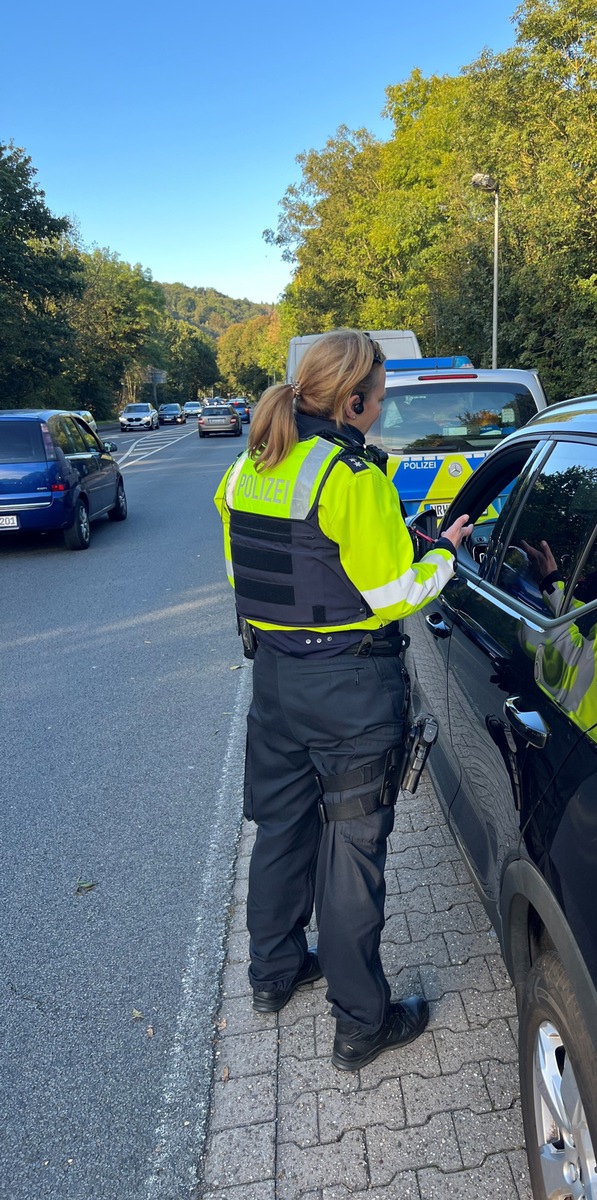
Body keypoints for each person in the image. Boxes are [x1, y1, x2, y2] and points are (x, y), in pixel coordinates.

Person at [213, 329, 472, 1071]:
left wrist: (398, 548)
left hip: (276, 685)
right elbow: (395, 594)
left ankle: (274, 973)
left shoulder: (247, 467)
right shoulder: (351, 477)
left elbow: (248, 577)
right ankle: (362, 1024)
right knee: (353, 852)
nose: (381, 414)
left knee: (283, 831)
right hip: (351, 693)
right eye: (381, 400)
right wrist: (445, 553)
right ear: (352, 399)